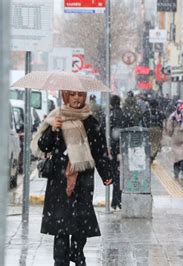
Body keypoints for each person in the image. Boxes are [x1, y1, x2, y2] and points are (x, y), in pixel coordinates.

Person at [31, 91, 112, 266]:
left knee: (80, 225)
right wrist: (53, 129)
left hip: (83, 181)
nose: (76, 98)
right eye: (72, 95)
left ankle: (77, 254)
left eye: (80, 95)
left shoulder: (90, 121)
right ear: (66, 97)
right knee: (61, 228)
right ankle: (60, 260)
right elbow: (43, 147)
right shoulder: (56, 117)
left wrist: (107, 174)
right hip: (59, 181)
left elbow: (99, 151)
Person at [166, 100, 183, 180]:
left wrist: (171, 134)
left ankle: (176, 174)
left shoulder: (172, 116)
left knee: (176, 157)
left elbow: (169, 129)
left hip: (175, 138)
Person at [107, 95, 126, 210]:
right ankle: (119, 199)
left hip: (111, 150)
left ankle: (115, 200)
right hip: (123, 149)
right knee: (121, 174)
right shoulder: (124, 115)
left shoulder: (109, 116)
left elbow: (105, 131)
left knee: (114, 175)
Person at [148, 98, 167, 163]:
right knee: (156, 143)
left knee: (149, 143)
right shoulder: (159, 112)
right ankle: (152, 156)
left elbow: (144, 119)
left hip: (149, 128)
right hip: (158, 128)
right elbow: (164, 117)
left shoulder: (148, 111)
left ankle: (149, 155)